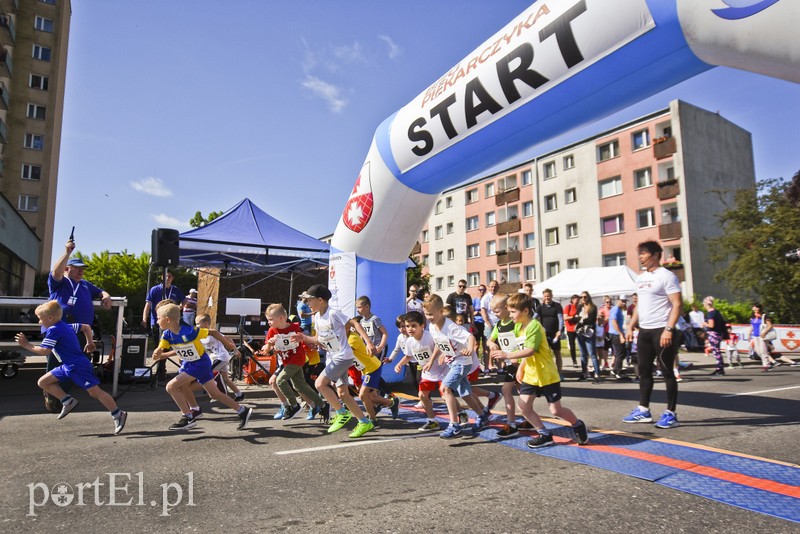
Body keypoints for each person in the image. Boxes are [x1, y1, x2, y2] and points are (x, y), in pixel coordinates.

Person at [490, 293, 588, 448]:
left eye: (513, 312)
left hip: (546, 374)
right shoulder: (518, 328)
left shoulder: (534, 326)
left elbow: (530, 350)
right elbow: (523, 351)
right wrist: (520, 368)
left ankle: (577, 424)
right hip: (531, 375)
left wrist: (507, 354)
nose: (510, 315)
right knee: (524, 406)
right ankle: (544, 433)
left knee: (556, 410)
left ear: (526, 311)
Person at [15, 300, 127, 435]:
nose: (39, 322)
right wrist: (90, 342)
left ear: (50, 318)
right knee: (43, 382)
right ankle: (67, 401)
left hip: (78, 366)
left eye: (40, 318)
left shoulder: (53, 330)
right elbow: (86, 327)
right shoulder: (65, 326)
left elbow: (45, 351)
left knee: (95, 392)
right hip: (68, 366)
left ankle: (118, 414)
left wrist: (27, 345)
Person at [292, 284, 376, 438]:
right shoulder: (316, 317)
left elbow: (355, 323)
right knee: (343, 393)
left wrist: (368, 343)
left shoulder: (333, 314)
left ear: (320, 300)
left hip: (343, 356)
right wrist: (303, 337)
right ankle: (365, 422)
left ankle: (341, 413)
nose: (307, 303)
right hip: (333, 357)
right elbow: (318, 339)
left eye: (310, 300)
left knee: (319, 384)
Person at [153, 303, 252, 431]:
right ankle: (242, 410)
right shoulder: (167, 334)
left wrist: (229, 345)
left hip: (200, 363)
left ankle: (188, 417)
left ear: (167, 320)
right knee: (214, 394)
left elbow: (213, 332)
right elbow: (161, 347)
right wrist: (158, 352)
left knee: (171, 386)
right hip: (189, 363)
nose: (156, 320)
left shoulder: (190, 331)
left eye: (158, 318)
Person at [623, 240, 683, 429]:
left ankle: (671, 413)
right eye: (639, 253)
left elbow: (677, 304)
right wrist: (631, 326)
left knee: (667, 372)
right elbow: (640, 304)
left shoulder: (667, 276)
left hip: (662, 330)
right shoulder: (641, 278)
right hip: (645, 331)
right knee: (644, 371)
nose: (640, 256)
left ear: (656, 254)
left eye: (644, 253)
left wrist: (669, 329)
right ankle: (643, 410)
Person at [46, 240, 112, 406]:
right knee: (56, 362)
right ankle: (52, 396)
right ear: (67, 268)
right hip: (61, 329)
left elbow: (100, 291)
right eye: (77, 268)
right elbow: (56, 271)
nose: (81, 271)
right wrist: (67, 253)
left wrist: (106, 295)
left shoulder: (84, 285)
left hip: (81, 330)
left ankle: (65, 396)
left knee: (76, 363)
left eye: (83, 269)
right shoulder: (60, 282)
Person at [424, 294, 487, 439]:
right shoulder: (432, 326)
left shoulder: (451, 327)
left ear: (441, 311)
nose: (429, 317)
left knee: (445, 388)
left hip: (462, 361)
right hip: (452, 362)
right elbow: (440, 344)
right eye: (426, 314)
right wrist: (433, 359)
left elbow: (470, 337)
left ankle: (454, 425)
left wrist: (470, 349)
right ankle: (482, 415)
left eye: (431, 314)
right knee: (465, 393)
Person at [263, 304, 326, 421]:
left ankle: (294, 405)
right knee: (299, 385)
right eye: (268, 320)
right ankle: (321, 404)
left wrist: (309, 343)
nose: (269, 322)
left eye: (271, 320)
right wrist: (269, 344)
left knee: (280, 380)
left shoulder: (294, 328)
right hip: (286, 361)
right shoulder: (272, 331)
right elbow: (267, 349)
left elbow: (303, 338)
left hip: (298, 358)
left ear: (281, 318)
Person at [394, 311, 447, 431]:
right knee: (422, 395)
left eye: (413, 326)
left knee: (446, 394)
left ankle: (460, 414)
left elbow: (440, 345)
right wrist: (399, 364)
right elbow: (408, 356)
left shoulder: (429, 336)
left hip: (442, 369)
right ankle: (432, 421)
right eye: (407, 326)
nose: (410, 329)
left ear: (422, 326)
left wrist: (439, 356)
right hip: (428, 372)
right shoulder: (410, 341)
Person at [142, 269, 187, 381]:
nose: (167, 278)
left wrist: (179, 307)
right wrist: (144, 319)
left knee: (175, 345)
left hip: (172, 323)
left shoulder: (175, 289)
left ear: (172, 278)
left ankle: (168, 370)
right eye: (165, 276)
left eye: (170, 276)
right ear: (162, 278)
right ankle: (160, 372)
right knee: (160, 347)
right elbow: (148, 305)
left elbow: (185, 301)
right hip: (158, 322)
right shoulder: (155, 289)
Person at [196, 313, 244, 402]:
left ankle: (218, 393)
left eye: (198, 323)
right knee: (226, 379)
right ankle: (239, 394)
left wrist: (235, 349)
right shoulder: (200, 335)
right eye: (196, 324)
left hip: (221, 357)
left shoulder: (213, 333)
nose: (196, 326)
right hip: (214, 358)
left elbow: (228, 339)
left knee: (208, 373)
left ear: (206, 324)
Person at [576, 292, 600, 383]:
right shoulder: (580, 307)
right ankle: (584, 374)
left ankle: (597, 374)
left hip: (589, 332)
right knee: (583, 354)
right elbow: (575, 318)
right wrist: (582, 318)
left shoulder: (592, 307)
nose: (583, 298)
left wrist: (581, 319)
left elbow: (591, 319)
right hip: (580, 332)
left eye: (585, 297)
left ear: (588, 297)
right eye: (581, 297)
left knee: (592, 354)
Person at [538, 289, 564, 375]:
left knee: (557, 353)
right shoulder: (540, 307)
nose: (547, 298)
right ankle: (547, 372)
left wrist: (560, 330)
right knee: (545, 354)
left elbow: (560, 318)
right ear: (543, 297)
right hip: (544, 334)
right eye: (545, 296)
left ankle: (559, 373)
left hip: (555, 334)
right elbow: (534, 318)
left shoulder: (557, 306)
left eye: (548, 296)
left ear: (551, 296)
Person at [702, 296, 728, 376]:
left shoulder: (710, 314)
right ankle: (720, 368)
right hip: (719, 333)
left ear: (706, 305)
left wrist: (705, 323)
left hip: (713, 334)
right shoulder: (717, 312)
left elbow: (711, 325)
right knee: (717, 351)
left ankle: (719, 369)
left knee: (716, 352)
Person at [609, 295, 631, 380]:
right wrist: (620, 334)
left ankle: (616, 370)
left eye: (625, 301)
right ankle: (617, 371)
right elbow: (614, 322)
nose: (624, 303)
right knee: (620, 353)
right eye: (622, 301)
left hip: (618, 333)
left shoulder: (618, 309)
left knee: (623, 353)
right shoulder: (615, 309)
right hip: (616, 334)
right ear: (618, 300)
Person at [563, 294, 580, 368]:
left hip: (579, 329)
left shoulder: (580, 307)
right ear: (572, 300)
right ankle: (574, 361)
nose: (577, 301)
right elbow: (565, 317)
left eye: (578, 300)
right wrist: (573, 317)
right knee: (572, 346)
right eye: (576, 300)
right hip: (570, 329)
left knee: (581, 345)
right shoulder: (568, 307)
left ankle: (583, 361)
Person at [472, 285, 487, 360]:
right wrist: (478, 312)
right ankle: (476, 364)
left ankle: (487, 365)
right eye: (480, 290)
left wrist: (480, 312)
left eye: (483, 290)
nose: (482, 291)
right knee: (476, 345)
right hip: (477, 323)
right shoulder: (475, 300)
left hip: (485, 323)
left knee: (485, 345)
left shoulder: (486, 299)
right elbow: (472, 312)